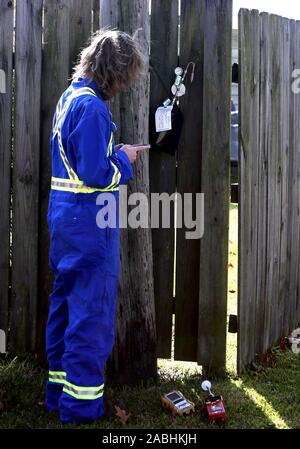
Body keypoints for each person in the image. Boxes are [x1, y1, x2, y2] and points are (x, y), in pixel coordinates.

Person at [45, 29, 149, 425]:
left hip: (65, 221)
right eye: (125, 78)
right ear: (114, 71)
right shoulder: (92, 108)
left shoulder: (69, 98)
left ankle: (58, 396)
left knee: (66, 308)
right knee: (91, 317)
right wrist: (124, 163)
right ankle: (81, 408)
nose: (123, 87)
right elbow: (95, 172)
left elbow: (77, 160)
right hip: (90, 224)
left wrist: (114, 151)